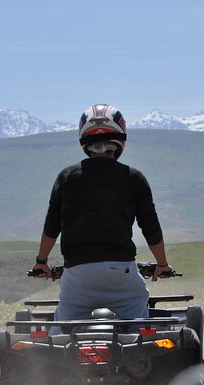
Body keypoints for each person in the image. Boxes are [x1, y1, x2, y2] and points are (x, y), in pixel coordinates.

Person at [31, 104, 173, 331]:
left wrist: (41, 262)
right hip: (121, 273)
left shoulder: (67, 177)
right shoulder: (134, 178)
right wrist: (162, 265)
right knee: (141, 327)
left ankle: (56, 363)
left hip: (77, 276)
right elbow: (151, 228)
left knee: (60, 334)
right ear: (121, 137)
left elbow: (51, 226)